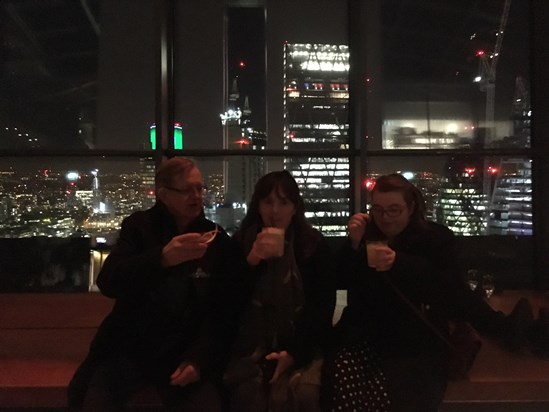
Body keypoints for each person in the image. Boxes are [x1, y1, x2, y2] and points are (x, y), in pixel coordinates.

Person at [322, 173, 541, 412]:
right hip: (367, 336)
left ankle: (515, 330)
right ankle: (511, 329)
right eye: (378, 210)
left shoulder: (435, 238)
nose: (385, 218)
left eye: (394, 210)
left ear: (411, 207)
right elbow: (342, 284)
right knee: (344, 383)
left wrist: (399, 263)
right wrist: (354, 247)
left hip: (416, 337)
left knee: (402, 390)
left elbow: (447, 289)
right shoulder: (365, 238)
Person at [67, 157, 245, 411]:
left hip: (184, 353)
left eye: (200, 188)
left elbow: (223, 311)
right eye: (187, 190)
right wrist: (162, 258)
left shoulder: (215, 239)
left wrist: (198, 360)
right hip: (129, 351)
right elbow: (109, 281)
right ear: (164, 194)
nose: (197, 196)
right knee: (94, 399)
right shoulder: (140, 227)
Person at [224, 170, 337, 412]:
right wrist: (252, 262)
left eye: (283, 203)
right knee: (248, 393)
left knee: (305, 392)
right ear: (258, 206)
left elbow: (321, 308)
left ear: (295, 207)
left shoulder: (313, 247)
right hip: (250, 348)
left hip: (302, 346)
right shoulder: (240, 245)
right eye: (268, 202)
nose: (275, 211)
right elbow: (227, 305)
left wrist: (294, 353)